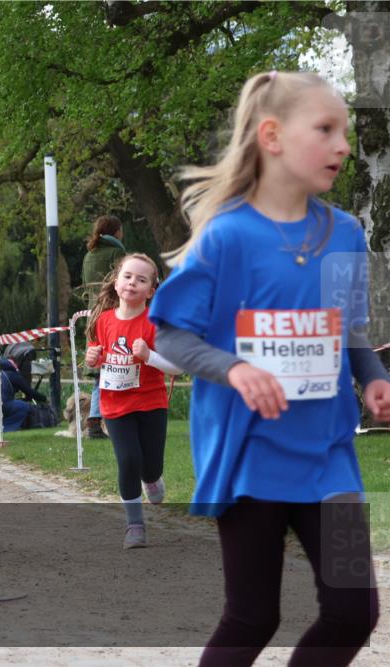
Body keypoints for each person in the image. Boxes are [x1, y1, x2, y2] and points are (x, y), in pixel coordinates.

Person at [149, 71, 389, 665]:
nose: (342, 145)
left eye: (346, 131)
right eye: (326, 129)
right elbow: (172, 334)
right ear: (273, 136)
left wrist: (374, 378)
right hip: (250, 455)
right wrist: (233, 369)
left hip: (329, 453)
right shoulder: (226, 236)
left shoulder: (348, 234)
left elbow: (348, 328)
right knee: (254, 616)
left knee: (354, 612)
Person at [84, 253, 182, 549]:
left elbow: (178, 366)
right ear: (116, 283)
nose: (132, 283)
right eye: (127, 276)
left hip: (151, 403)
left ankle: (152, 480)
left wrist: (149, 356)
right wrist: (92, 358)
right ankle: (134, 525)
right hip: (115, 405)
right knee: (128, 460)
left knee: (149, 466)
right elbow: (96, 353)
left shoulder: (154, 324)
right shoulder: (103, 321)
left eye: (141, 279)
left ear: (151, 291)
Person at [81, 215, 127, 439]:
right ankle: (100, 420)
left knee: (100, 369)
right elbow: (124, 284)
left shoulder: (89, 255)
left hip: (92, 314)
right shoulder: (116, 253)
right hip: (111, 313)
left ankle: (95, 419)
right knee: (117, 365)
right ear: (115, 231)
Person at [0, 357, 48, 434]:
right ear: (12, 365)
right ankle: (1, 427)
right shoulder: (12, 374)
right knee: (24, 406)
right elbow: (29, 392)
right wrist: (44, 398)